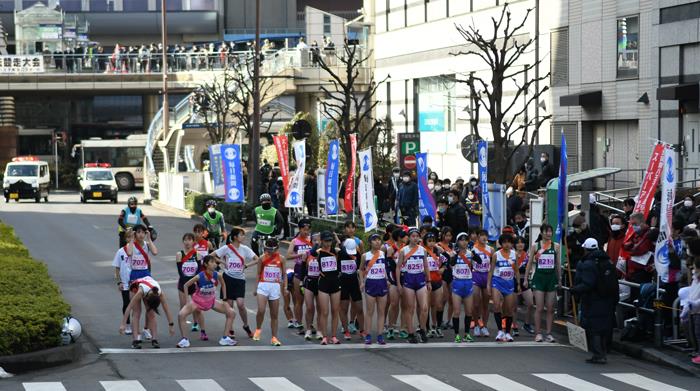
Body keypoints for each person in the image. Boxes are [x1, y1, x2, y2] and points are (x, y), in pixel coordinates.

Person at [571, 239, 618, 364]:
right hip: (608, 299)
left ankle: (598, 355)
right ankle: (603, 352)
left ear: (585, 249)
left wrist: (574, 290)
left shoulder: (588, 264)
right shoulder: (608, 261)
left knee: (594, 328)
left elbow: (588, 284)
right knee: (604, 327)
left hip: (593, 300)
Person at [175, 255, 236, 347]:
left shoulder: (217, 275)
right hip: (197, 302)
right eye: (212, 262)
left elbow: (223, 284)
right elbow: (185, 285)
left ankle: (225, 338)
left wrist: (224, 299)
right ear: (206, 264)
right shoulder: (200, 276)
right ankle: (185, 340)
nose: (214, 264)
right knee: (181, 315)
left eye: (215, 262)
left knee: (231, 313)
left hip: (211, 301)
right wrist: (188, 301)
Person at [214, 227, 258, 339]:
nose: (243, 237)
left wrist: (247, 265)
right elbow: (212, 255)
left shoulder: (245, 249)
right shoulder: (226, 248)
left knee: (240, 304)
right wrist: (222, 262)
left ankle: (246, 325)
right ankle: (230, 329)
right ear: (235, 237)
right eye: (241, 235)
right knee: (229, 306)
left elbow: (257, 259)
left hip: (240, 279)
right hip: (227, 278)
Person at [525, 223, 561, 343]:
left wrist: (559, 278)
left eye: (550, 231)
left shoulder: (556, 246)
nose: (548, 233)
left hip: (551, 279)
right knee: (539, 307)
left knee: (550, 308)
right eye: (546, 231)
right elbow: (529, 263)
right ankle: (538, 333)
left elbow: (557, 264)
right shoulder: (536, 246)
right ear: (541, 233)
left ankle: (549, 333)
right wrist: (526, 278)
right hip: (539, 278)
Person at [119, 276, 174, 349]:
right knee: (137, 312)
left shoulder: (160, 293)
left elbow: (167, 310)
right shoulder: (140, 292)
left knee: (151, 313)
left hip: (148, 287)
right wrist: (123, 324)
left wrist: (171, 325)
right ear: (147, 298)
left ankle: (154, 339)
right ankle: (135, 340)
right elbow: (129, 307)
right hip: (135, 286)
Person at [397, 228, 432, 343]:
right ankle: (411, 333)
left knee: (424, 307)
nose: (415, 238)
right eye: (413, 236)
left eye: (417, 236)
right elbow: (398, 268)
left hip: (421, 279)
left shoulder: (423, 250)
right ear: (409, 237)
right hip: (409, 280)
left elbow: (426, 266)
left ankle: (422, 330)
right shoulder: (403, 251)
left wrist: (429, 281)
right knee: (410, 308)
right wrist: (398, 284)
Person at [253, 237, 286, 346]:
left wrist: (284, 287)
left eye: (272, 249)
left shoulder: (282, 259)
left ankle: (274, 338)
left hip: (275, 287)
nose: (270, 252)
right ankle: (258, 329)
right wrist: (255, 288)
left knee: (274, 314)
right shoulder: (262, 258)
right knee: (261, 310)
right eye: (268, 249)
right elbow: (258, 274)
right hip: (263, 285)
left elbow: (284, 274)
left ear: (277, 248)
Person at [488, 234, 521, 342]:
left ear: (512, 243)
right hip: (497, 282)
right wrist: (488, 284)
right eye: (504, 242)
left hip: (509, 283)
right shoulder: (496, 255)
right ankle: (500, 331)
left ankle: (507, 332)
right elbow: (491, 270)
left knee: (509, 309)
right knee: (497, 306)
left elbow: (516, 270)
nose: (507, 244)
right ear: (501, 243)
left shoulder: (514, 254)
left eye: (509, 242)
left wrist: (519, 283)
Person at [314, 231, 342, 345]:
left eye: (330, 240)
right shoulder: (318, 252)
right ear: (322, 241)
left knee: (335, 311)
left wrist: (337, 240)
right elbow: (310, 252)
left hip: (335, 282)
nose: (328, 243)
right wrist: (317, 243)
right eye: (325, 241)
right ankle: (325, 336)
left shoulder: (336, 251)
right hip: (324, 283)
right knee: (324, 312)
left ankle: (334, 336)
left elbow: (345, 252)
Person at [175, 233, 204, 340]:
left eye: (189, 240)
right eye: (185, 240)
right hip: (183, 283)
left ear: (193, 242)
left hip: (194, 283)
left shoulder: (197, 255)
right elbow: (180, 272)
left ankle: (199, 326)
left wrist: (197, 283)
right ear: (183, 242)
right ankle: (183, 331)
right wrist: (186, 283)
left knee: (198, 307)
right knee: (183, 307)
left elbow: (199, 271)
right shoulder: (179, 254)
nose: (187, 242)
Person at [361, 234, 389, 345]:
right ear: (370, 242)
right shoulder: (365, 256)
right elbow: (360, 269)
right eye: (374, 240)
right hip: (371, 283)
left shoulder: (382, 254)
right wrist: (362, 282)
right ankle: (368, 335)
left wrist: (387, 279)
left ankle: (380, 335)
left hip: (381, 283)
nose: (377, 242)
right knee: (369, 311)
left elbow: (384, 267)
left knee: (381, 312)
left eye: (379, 240)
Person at [285, 218, 313, 330]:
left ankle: (310, 324)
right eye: (304, 229)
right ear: (300, 229)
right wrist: (300, 255)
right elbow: (288, 256)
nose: (306, 232)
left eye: (308, 230)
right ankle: (298, 321)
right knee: (299, 299)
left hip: (311, 270)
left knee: (311, 301)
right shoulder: (295, 241)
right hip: (299, 269)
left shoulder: (312, 240)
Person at [450, 232, 475, 342]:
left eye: (466, 240)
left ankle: (467, 334)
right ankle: (456, 334)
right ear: (457, 242)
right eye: (461, 240)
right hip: (457, 283)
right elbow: (451, 263)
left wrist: (475, 255)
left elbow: (478, 261)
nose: (464, 242)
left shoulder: (471, 253)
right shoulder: (453, 253)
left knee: (469, 311)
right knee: (456, 311)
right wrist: (456, 253)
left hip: (468, 283)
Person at [339, 238, 365, 340]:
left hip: (354, 281)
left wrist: (361, 281)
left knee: (359, 307)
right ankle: (346, 331)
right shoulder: (340, 254)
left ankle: (362, 330)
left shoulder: (357, 254)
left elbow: (360, 269)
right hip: (343, 282)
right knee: (344, 308)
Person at [383, 228, 406, 339]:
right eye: (404, 236)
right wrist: (389, 280)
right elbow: (388, 267)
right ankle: (391, 327)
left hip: (406, 278)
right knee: (394, 304)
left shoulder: (407, 249)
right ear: (399, 237)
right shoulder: (391, 250)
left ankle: (402, 328)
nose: (406, 238)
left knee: (405, 305)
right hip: (393, 278)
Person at [471, 229, 493, 338]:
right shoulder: (473, 249)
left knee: (486, 303)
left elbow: (494, 265)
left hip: (486, 275)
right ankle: (475, 324)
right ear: (478, 237)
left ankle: (484, 326)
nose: (484, 238)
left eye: (486, 236)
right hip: (476, 275)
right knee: (475, 302)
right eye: (482, 236)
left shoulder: (491, 250)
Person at [623, 212, 655, 285]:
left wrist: (631, 248)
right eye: (632, 224)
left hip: (643, 271)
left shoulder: (649, 234)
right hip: (633, 270)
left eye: (635, 224)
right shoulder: (636, 233)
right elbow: (625, 246)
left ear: (642, 222)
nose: (633, 226)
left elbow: (639, 250)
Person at [423, 233, 445, 338]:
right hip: (427, 281)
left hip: (438, 280)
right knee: (427, 305)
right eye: (429, 240)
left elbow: (446, 260)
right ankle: (427, 328)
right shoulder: (422, 251)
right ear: (425, 242)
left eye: (433, 240)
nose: (431, 243)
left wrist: (443, 269)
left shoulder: (438, 251)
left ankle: (437, 327)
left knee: (438, 305)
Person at [301, 232, 322, 340]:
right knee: (309, 307)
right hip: (309, 281)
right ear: (311, 241)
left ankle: (319, 330)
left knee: (320, 308)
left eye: (319, 240)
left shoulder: (324, 253)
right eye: (314, 240)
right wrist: (301, 282)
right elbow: (303, 270)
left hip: (320, 282)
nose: (317, 242)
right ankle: (308, 329)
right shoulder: (307, 253)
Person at [113, 229, 133, 335]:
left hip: (135, 281)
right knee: (126, 303)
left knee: (136, 305)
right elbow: (117, 267)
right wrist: (119, 282)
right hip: (125, 282)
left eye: (132, 237)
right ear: (126, 239)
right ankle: (128, 325)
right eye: (128, 237)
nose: (130, 239)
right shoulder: (120, 251)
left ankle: (138, 326)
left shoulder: (136, 250)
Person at [514, 236, 535, 335]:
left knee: (530, 303)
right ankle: (514, 327)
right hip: (513, 281)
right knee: (514, 306)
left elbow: (529, 269)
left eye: (522, 242)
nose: (520, 244)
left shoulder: (527, 255)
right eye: (518, 243)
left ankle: (527, 324)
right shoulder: (511, 255)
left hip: (525, 281)